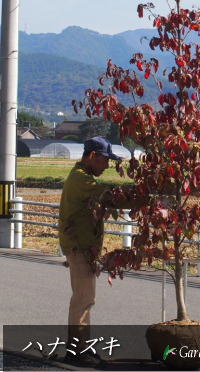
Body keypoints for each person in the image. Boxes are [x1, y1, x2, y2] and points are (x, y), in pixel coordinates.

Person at [59, 136, 144, 366]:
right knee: (83, 299)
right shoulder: (80, 179)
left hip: (83, 246)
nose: (107, 166)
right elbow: (110, 198)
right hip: (79, 247)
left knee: (86, 299)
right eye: (105, 160)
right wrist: (143, 197)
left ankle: (82, 348)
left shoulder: (81, 176)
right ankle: (76, 352)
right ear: (93, 156)